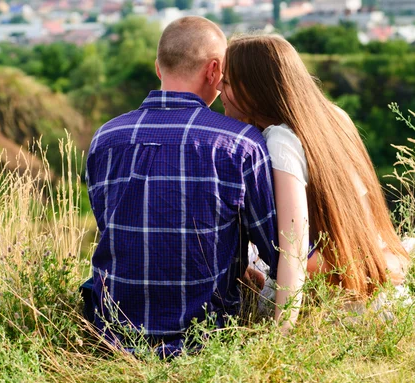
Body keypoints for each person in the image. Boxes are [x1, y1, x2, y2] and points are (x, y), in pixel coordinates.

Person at [84, 17, 278, 356]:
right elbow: (279, 250)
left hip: (111, 334)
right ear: (214, 71)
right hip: (205, 339)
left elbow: (118, 230)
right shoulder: (239, 143)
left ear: (159, 69)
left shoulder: (105, 137)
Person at [217, 34, 410, 330]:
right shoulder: (336, 117)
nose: (218, 88)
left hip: (333, 307)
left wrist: (281, 337)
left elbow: (294, 249)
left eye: (227, 82)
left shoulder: (280, 139)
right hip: (379, 295)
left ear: (252, 88)